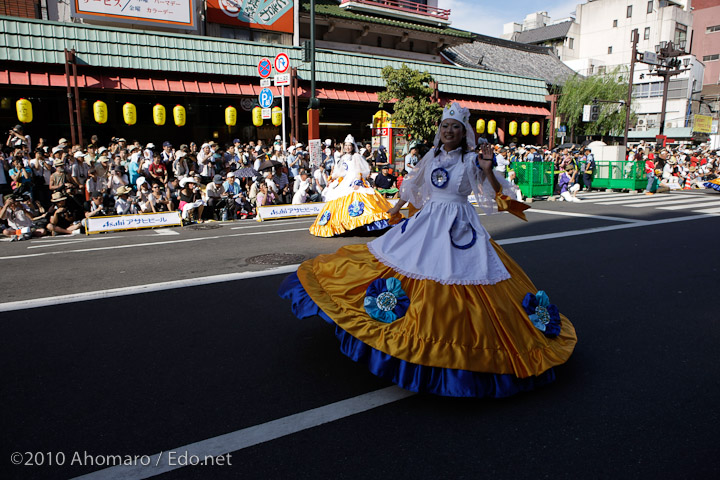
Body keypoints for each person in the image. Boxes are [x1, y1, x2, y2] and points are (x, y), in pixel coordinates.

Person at [279, 102, 575, 398]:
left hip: (459, 226)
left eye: (455, 127)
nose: (449, 131)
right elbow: (413, 186)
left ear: (464, 133)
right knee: (405, 267)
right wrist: (394, 209)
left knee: (460, 277)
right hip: (428, 220)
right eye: (445, 126)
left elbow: (496, 194)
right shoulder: (431, 155)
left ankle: (455, 351)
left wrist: (488, 169)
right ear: (440, 130)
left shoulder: (473, 160)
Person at [309, 135, 401, 237]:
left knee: (359, 200)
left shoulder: (356, 156)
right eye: (346, 145)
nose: (348, 147)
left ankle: (362, 225)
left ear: (353, 146)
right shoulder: (343, 157)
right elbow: (341, 171)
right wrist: (332, 177)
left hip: (354, 180)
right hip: (345, 181)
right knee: (340, 201)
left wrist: (357, 181)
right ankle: (345, 226)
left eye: (350, 145)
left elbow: (359, 170)